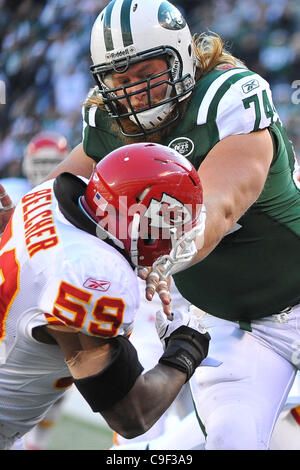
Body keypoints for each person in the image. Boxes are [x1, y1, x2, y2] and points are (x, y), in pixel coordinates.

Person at [37, 0, 299, 450]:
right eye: (123, 80)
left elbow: (218, 208)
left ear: (180, 55)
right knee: (230, 441)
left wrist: (160, 261)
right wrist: (15, 218)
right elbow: (54, 198)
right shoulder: (107, 123)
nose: (137, 91)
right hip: (235, 324)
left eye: (147, 72)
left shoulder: (226, 96)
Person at [0, 142, 210, 450]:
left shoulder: (46, 198)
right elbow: (131, 415)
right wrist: (186, 347)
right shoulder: (89, 275)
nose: (174, 240)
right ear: (140, 221)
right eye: (171, 227)